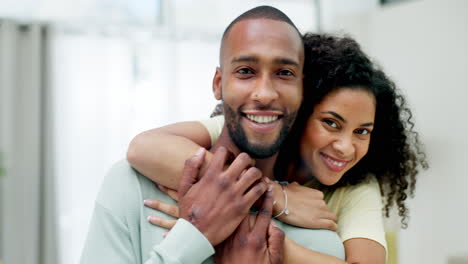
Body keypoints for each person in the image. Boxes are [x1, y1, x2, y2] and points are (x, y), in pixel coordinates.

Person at [127, 34, 429, 263]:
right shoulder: (245, 132)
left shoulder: (357, 187)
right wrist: (274, 196)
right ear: (297, 111)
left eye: (362, 131)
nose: (346, 147)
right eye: (331, 123)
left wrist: (266, 237)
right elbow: (144, 148)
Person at [81, 6, 345, 264]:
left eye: (284, 73)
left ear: (302, 89)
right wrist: (194, 235)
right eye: (245, 71)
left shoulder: (318, 232)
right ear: (218, 84)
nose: (264, 94)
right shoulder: (131, 184)